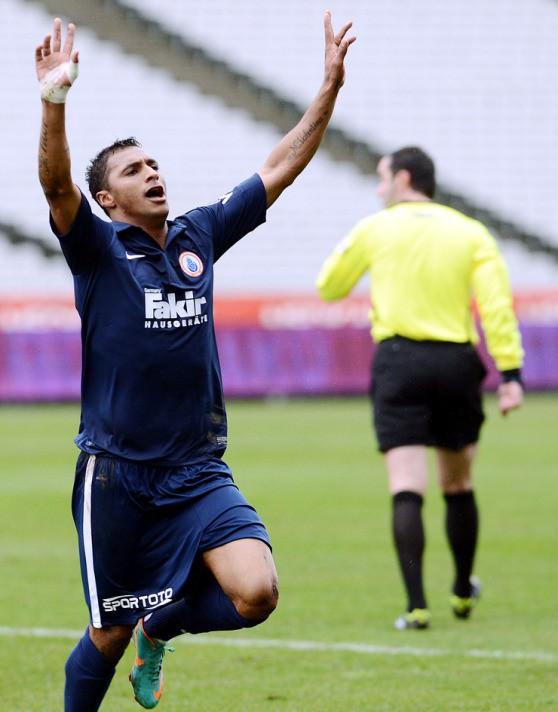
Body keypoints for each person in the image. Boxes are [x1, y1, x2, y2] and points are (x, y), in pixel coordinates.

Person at [36, 14, 355, 710]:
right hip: (117, 475)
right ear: (107, 200)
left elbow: (279, 167)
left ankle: (161, 627)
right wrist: (54, 101)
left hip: (197, 467)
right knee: (106, 633)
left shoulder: (198, 234)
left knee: (256, 593)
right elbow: (56, 187)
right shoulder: (97, 252)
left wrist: (328, 89)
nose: (151, 173)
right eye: (133, 170)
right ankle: (128, 640)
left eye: (153, 164)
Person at [316, 146, 524, 630]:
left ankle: (416, 606)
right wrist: (510, 375)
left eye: (382, 177)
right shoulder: (470, 231)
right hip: (455, 362)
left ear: (404, 178)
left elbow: (329, 285)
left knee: (406, 486)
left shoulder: (375, 228)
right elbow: (496, 307)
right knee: (458, 484)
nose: (378, 189)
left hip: (399, 362)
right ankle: (462, 590)